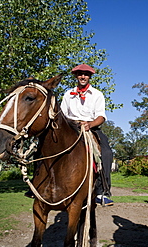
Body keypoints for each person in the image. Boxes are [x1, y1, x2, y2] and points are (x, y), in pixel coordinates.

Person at [60, 63, 114, 206]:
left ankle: (103, 192)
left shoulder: (97, 94)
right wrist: (72, 123)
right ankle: (37, 185)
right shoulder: (67, 94)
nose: (83, 76)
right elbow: (62, 115)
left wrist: (89, 124)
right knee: (42, 145)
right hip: (70, 128)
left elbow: (101, 117)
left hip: (91, 128)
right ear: (76, 76)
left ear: (89, 76)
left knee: (107, 153)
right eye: (80, 74)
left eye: (86, 74)